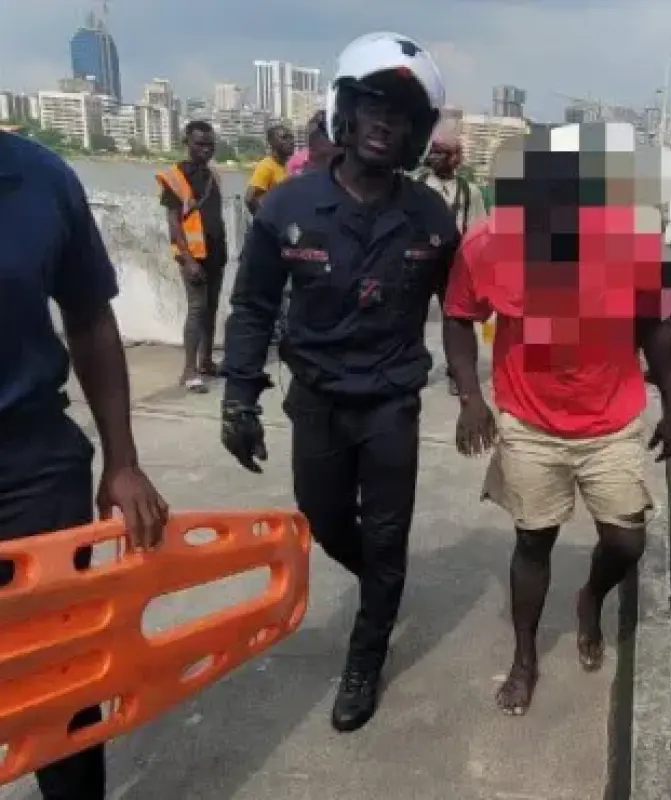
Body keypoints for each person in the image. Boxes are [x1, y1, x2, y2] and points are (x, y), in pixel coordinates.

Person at [219, 31, 458, 733]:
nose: (386, 123)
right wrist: (239, 395)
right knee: (323, 520)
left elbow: (464, 307)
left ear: (415, 134)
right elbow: (252, 307)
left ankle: (367, 654)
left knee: (386, 538)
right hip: (318, 400)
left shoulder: (432, 218)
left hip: (391, 405)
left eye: (402, 115)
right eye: (372, 106)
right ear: (345, 115)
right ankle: (383, 584)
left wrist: (481, 388)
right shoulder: (287, 208)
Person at [443, 122, 671, 716]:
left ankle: (590, 599)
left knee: (627, 540)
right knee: (534, 540)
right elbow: (457, 317)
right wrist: (471, 396)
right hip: (529, 421)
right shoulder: (485, 245)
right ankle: (525, 656)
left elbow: (655, 327)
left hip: (612, 419)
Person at [0, 131, 168, 799]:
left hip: (29, 463)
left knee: (60, 676)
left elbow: (91, 317)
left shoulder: (41, 180)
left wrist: (122, 461)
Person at [157, 120, 228, 393]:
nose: (206, 150)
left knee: (211, 309)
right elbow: (174, 223)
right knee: (197, 310)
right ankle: (189, 371)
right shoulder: (174, 177)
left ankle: (206, 361)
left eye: (210, 145)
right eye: (199, 144)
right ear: (186, 143)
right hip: (193, 257)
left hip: (215, 254)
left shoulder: (214, 176)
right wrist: (187, 259)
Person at [418, 129, 487, 394]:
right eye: (432, 151)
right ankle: (414, 366)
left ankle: (457, 372)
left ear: (454, 158)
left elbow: (477, 232)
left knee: (458, 319)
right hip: (421, 262)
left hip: (455, 264)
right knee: (412, 316)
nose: (433, 157)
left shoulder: (470, 192)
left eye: (440, 153)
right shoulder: (419, 187)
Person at [244, 124, 295, 215]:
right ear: (272, 142)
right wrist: (263, 221)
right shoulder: (266, 166)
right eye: (284, 138)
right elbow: (249, 198)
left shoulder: (284, 166)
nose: (290, 141)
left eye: (291, 137)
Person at [286, 111, 340, 176]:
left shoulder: (346, 161)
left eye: (315, 136)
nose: (310, 141)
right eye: (308, 135)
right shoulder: (297, 162)